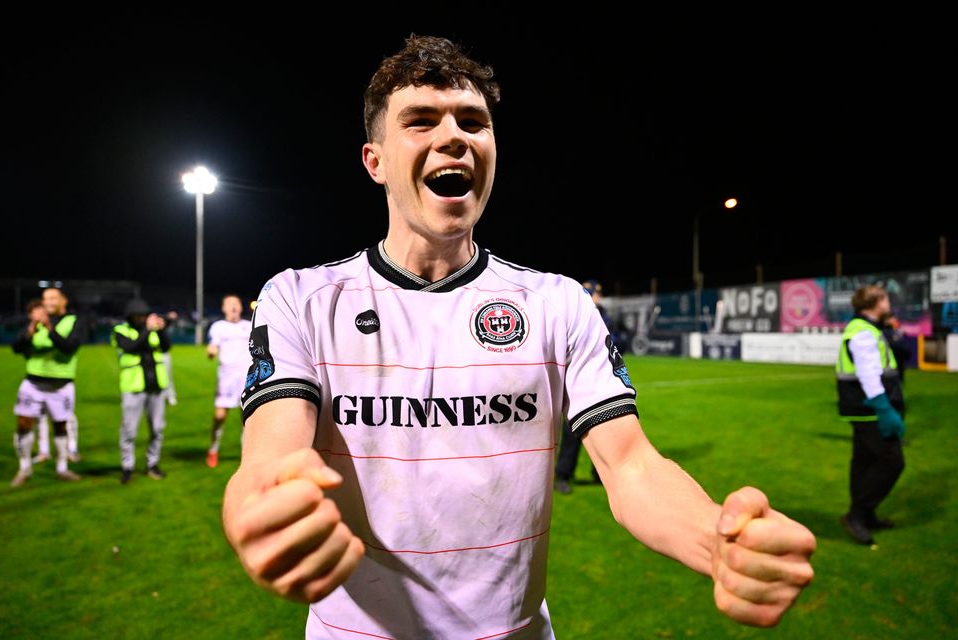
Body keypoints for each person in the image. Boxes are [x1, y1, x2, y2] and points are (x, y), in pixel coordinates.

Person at [222, 35, 815, 638]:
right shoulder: (302, 299)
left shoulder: (557, 303)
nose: (454, 137)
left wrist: (717, 542)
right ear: (375, 161)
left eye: (473, 122)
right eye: (421, 121)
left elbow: (631, 465)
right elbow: (269, 459)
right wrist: (258, 509)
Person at [836, 285, 905, 545]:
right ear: (874, 302)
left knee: (864, 461)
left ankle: (865, 515)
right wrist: (884, 409)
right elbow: (868, 375)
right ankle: (857, 515)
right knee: (892, 462)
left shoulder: (865, 328)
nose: (888, 303)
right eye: (885, 298)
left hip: (864, 409)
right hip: (871, 410)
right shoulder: (864, 332)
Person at [10, 288, 87, 486]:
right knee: (23, 425)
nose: (48, 302)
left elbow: (69, 347)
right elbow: (16, 347)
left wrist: (49, 327)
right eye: (45, 299)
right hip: (32, 383)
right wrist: (31, 329)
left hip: (61, 386)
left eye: (53, 298)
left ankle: (62, 468)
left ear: (64, 300)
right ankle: (24, 467)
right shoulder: (35, 323)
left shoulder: (74, 321)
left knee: (61, 427)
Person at [554, 279, 608, 494]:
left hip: (600, 379)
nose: (599, 296)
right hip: (574, 381)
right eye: (597, 292)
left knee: (605, 428)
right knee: (572, 433)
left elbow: (615, 341)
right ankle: (563, 475)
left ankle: (601, 473)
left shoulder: (603, 314)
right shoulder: (573, 312)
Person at [111, 298, 172, 484]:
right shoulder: (120, 331)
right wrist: (149, 329)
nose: (143, 318)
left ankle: (152, 464)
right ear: (130, 316)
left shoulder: (153, 331)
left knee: (157, 429)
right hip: (133, 389)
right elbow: (131, 347)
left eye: (144, 315)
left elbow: (166, 347)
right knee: (129, 431)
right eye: (139, 315)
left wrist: (161, 330)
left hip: (156, 388)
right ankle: (127, 467)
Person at [205, 295, 253, 468]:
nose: (233, 307)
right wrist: (211, 351)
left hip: (247, 377)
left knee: (246, 419)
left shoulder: (248, 326)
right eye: (229, 304)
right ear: (223, 308)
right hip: (226, 377)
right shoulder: (218, 327)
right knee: (220, 416)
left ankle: (245, 457)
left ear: (241, 307)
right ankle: (213, 448)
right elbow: (213, 346)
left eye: (236, 304)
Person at [882, 314, 911, 385]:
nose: (896, 322)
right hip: (891, 367)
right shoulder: (888, 333)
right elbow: (904, 349)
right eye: (894, 320)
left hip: (897, 365)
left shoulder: (898, 333)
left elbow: (907, 351)